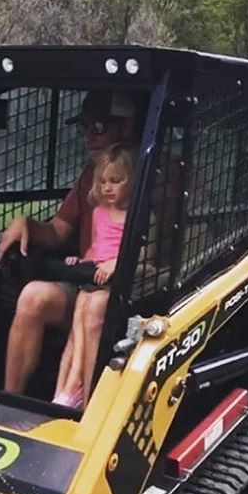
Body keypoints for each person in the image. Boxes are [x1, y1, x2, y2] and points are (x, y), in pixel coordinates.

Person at [0, 89, 137, 397]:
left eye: (97, 128)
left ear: (125, 127)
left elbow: (160, 253)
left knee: (95, 306)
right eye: (84, 129)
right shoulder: (91, 176)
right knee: (32, 296)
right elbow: (59, 231)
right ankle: (9, 401)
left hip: (130, 292)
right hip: (85, 280)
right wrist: (26, 224)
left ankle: (90, 410)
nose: (88, 138)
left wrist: (123, 266)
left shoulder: (156, 175)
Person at [53, 143, 137, 408]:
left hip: (117, 285)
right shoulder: (99, 214)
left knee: (90, 312)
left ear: (131, 181)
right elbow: (95, 248)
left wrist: (117, 263)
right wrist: (81, 260)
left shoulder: (137, 218)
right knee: (79, 316)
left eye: (116, 181)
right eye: (102, 182)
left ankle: (88, 396)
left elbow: (147, 258)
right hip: (93, 279)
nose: (107, 188)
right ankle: (64, 391)